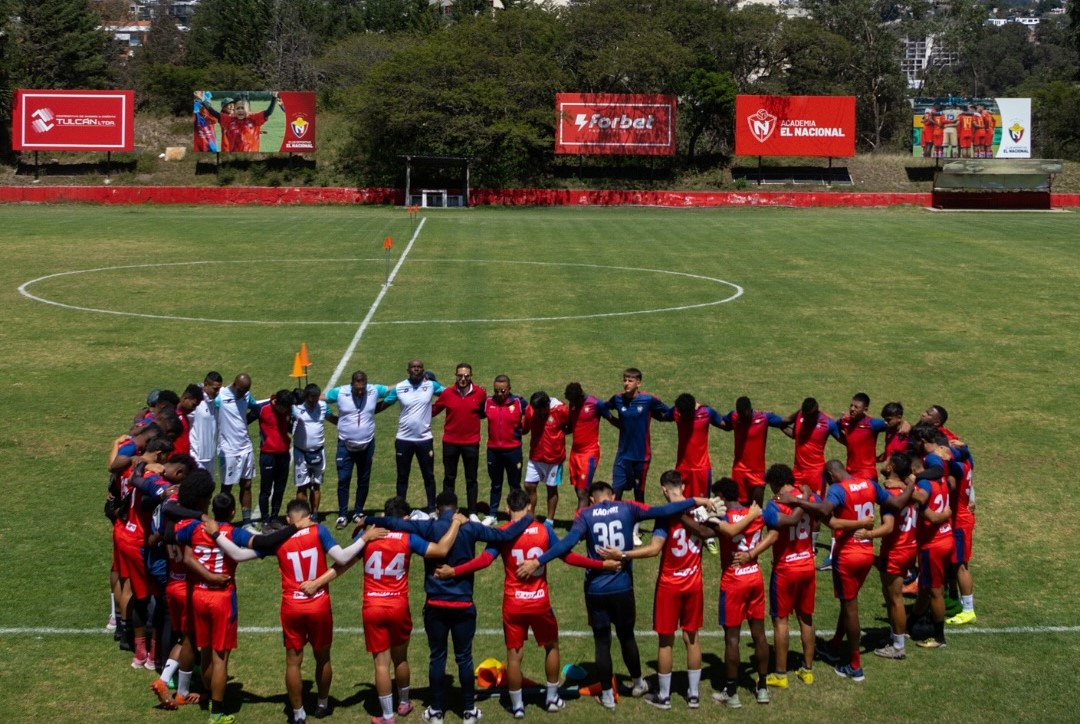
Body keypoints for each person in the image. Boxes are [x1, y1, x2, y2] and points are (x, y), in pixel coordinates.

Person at [521, 481, 715, 711]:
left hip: (596, 588)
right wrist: (697, 500)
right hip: (622, 587)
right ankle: (637, 683)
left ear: (592, 499)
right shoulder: (628, 507)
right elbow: (663, 510)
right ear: (612, 495)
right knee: (627, 636)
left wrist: (538, 561)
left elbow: (566, 545)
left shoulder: (586, 515)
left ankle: (607, 695)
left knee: (602, 642)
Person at [435, 489, 615, 717]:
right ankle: (551, 698)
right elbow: (567, 556)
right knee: (551, 646)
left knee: (514, 654)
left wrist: (455, 570)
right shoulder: (544, 531)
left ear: (508, 509)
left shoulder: (503, 532)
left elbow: (484, 560)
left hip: (513, 603)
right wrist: (600, 565)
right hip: (539, 601)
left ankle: (517, 705)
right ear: (529, 507)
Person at [365, 490, 535, 724]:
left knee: (437, 658)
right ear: (457, 509)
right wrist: (527, 517)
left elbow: (395, 523)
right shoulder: (470, 527)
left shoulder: (428, 527)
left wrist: (371, 519)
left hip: (435, 604)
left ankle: (435, 711)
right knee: (464, 658)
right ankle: (468, 711)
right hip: (463, 604)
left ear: (437, 509)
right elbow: (504, 536)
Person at [210, 498, 386, 723]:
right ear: (309, 515)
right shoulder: (319, 531)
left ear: (288, 519)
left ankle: (297, 712)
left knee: (293, 662)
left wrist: (216, 534)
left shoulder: (279, 539)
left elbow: (239, 555)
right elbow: (342, 557)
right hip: (319, 604)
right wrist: (365, 537)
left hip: (292, 606)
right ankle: (322, 704)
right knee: (323, 657)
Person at [304, 497, 466, 724]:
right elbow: (441, 550)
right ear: (405, 518)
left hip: (373, 607)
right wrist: (456, 523)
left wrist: (316, 583)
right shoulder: (408, 537)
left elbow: (342, 565)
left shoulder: (368, 538)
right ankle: (404, 702)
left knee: (381, 663)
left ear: (385, 515)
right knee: (401, 658)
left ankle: (387, 716)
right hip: (398, 605)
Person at [598, 471, 751, 710]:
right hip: (694, 583)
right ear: (683, 485)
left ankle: (665, 697)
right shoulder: (701, 510)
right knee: (693, 638)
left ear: (663, 489)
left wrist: (623, 555)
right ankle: (693, 695)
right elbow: (710, 533)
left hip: (670, 585)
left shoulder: (666, 515)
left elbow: (654, 549)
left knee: (665, 642)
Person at [177, 491, 295, 724]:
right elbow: (263, 543)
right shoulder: (233, 532)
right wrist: (292, 529)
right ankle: (217, 712)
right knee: (221, 658)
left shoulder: (194, 529)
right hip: (222, 598)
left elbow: (175, 537)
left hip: (198, 595)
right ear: (232, 512)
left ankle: (210, 696)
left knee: (207, 651)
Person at [781, 460, 898, 683]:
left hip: (847, 555)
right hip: (866, 552)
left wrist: (796, 500)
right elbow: (892, 502)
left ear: (830, 475)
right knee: (848, 602)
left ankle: (855, 665)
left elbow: (826, 511)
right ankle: (836, 643)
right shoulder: (870, 484)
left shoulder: (837, 489)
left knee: (851, 609)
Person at [150, 468, 215, 710]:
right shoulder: (192, 528)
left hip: (171, 583)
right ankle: (183, 692)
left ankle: (164, 679)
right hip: (187, 587)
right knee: (190, 640)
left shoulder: (171, 524)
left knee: (183, 638)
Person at [707, 478, 770, 707]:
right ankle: (762, 688)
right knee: (759, 635)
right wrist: (753, 553)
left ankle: (731, 693)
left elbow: (730, 530)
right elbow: (775, 534)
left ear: (723, 497)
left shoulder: (721, 518)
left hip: (733, 581)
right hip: (755, 576)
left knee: (731, 638)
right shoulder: (755, 512)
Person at [758, 464, 818, 687]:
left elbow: (787, 523)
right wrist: (805, 495)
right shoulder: (810, 497)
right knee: (806, 617)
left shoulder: (774, 505)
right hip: (807, 564)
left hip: (785, 569)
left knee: (780, 620)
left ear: (774, 483)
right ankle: (807, 670)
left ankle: (781, 674)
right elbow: (824, 511)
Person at [855, 452, 919, 660]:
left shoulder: (891, 493)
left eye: (886, 461)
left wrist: (868, 534)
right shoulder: (910, 489)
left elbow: (889, 526)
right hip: (909, 545)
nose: (882, 463)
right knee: (893, 597)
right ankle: (895, 635)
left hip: (896, 549)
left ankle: (898, 646)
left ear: (891, 467)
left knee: (894, 598)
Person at [908, 429, 955, 650]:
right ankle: (912, 622)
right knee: (926, 587)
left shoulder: (923, 484)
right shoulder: (943, 481)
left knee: (935, 590)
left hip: (933, 544)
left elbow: (930, 514)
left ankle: (939, 637)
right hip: (945, 539)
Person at [780, 397, 841, 564]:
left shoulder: (827, 423)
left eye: (810, 416)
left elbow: (843, 439)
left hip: (816, 473)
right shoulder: (800, 415)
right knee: (792, 504)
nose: (806, 419)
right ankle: (793, 541)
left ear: (817, 412)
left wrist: (840, 420)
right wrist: (778, 424)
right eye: (805, 415)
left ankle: (811, 547)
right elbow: (789, 427)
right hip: (797, 471)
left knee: (816, 510)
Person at [597, 368, 669, 506]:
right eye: (625, 380)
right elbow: (602, 407)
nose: (626, 383)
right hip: (623, 455)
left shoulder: (648, 400)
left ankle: (636, 526)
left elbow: (669, 412)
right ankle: (615, 522)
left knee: (639, 493)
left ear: (638, 383)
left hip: (641, 456)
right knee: (616, 491)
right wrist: (613, 420)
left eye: (630, 380)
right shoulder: (617, 399)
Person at [379, 359, 445, 512]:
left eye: (419, 367)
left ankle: (431, 509)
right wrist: (366, 412)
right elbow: (384, 404)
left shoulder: (431, 385)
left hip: (424, 439)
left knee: (428, 476)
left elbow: (450, 394)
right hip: (403, 439)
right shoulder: (400, 387)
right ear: (408, 370)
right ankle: (400, 510)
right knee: (402, 476)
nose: (416, 369)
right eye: (413, 367)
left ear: (423, 370)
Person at [325, 370, 387, 529]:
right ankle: (342, 514)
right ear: (351, 384)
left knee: (363, 479)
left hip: (367, 444)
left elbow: (394, 390)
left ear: (366, 384)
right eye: (357, 388)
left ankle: (358, 511)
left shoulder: (374, 390)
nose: (360, 391)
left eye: (362, 388)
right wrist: (330, 417)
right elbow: (319, 399)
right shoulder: (339, 392)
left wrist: (378, 408)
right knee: (344, 479)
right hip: (345, 444)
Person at [432, 363, 486, 515]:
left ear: (471, 376)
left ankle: (473, 512)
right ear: (455, 375)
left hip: (471, 443)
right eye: (460, 375)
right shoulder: (447, 393)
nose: (463, 379)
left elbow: (483, 412)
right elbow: (433, 411)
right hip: (450, 442)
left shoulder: (480, 393)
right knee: (449, 477)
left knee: (471, 478)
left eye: (466, 376)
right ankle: (447, 510)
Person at [719, 396, 785, 506]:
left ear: (751, 410)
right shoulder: (734, 416)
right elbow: (720, 420)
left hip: (757, 473)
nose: (743, 418)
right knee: (740, 509)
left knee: (756, 509)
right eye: (740, 415)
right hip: (739, 471)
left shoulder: (764, 418)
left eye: (745, 415)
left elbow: (785, 421)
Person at [216, 373, 261, 529]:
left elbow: (256, 409)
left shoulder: (246, 395)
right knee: (227, 487)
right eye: (241, 390)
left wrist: (244, 422)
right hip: (228, 450)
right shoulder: (220, 396)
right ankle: (223, 522)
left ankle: (247, 522)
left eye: (246, 390)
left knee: (247, 484)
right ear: (234, 384)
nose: (243, 393)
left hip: (246, 447)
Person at [483, 375, 527, 523]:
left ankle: (517, 514)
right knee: (495, 484)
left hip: (513, 451)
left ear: (509, 389)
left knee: (514, 485)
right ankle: (493, 514)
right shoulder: (488, 402)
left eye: (502, 390)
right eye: (496, 391)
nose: (499, 394)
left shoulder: (519, 403)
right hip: (493, 451)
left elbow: (535, 413)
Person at [522, 391, 569, 522]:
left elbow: (571, 424)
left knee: (551, 488)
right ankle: (530, 518)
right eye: (535, 410)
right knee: (529, 485)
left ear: (547, 405)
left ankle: (549, 521)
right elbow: (525, 428)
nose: (537, 413)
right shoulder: (531, 410)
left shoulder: (561, 410)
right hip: (535, 456)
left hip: (554, 458)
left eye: (540, 411)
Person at [293, 383, 335, 522]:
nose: (314, 402)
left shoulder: (322, 406)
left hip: (318, 451)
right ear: (305, 397)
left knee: (316, 485)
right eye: (311, 399)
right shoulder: (296, 408)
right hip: (301, 453)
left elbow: (331, 418)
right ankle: (302, 515)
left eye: (316, 398)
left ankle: (315, 514)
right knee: (302, 486)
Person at [564, 382, 607, 511]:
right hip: (575, 453)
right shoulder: (573, 404)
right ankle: (593, 517)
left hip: (589, 454)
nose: (573, 404)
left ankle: (580, 526)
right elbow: (571, 427)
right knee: (579, 491)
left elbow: (611, 418)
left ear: (581, 396)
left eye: (574, 401)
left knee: (583, 492)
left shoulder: (595, 404)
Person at [197, 91, 279, 153]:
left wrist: (274, 97)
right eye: (238, 108)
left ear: (248, 109)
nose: (240, 110)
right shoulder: (229, 120)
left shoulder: (254, 118)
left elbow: (269, 112)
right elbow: (214, 113)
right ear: (234, 110)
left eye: (242, 108)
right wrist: (203, 101)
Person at [258, 390, 294, 530]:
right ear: (276, 402)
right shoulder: (262, 408)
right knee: (266, 490)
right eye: (282, 407)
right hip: (268, 455)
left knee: (279, 489)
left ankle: (274, 517)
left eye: (286, 408)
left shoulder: (288, 409)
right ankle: (265, 520)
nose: (284, 410)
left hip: (284, 454)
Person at [837, 392, 888, 482]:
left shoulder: (873, 424)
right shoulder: (845, 421)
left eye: (856, 407)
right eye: (851, 405)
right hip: (849, 472)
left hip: (867, 473)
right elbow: (833, 426)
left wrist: (905, 423)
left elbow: (893, 425)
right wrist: (845, 441)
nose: (852, 409)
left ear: (865, 409)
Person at [190, 371, 223, 479]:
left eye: (218, 389)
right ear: (206, 384)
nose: (217, 392)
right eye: (215, 389)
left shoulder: (213, 402)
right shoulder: (196, 402)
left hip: (210, 457)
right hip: (196, 457)